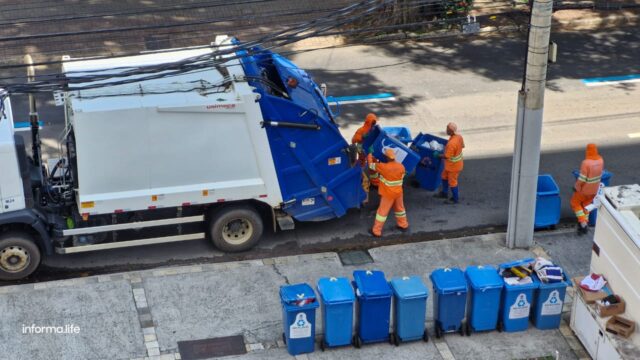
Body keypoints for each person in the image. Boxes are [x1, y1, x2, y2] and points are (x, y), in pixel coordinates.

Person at [368, 148, 409, 237]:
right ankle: (403, 225)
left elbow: (371, 165)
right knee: (400, 209)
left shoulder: (384, 167)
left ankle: (376, 231)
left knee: (382, 213)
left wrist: (370, 155)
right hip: (398, 193)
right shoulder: (401, 166)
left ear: (386, 157)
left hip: (388, 194)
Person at [571, 143, 604, 235]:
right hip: (594, 189)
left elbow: (582, 178)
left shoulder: (586, 163)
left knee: (575, 203)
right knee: (586, 205)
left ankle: (583, 223)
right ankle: (584, 224)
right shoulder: (601, 160)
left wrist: (576, 187)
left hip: (585, 190)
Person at [434, 122, 464, 204]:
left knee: (452, 182)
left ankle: (455, 199)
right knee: (444, 176)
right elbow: (463, 146)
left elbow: (446, 156)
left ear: (450, 131)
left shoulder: (451, 144)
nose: (445, 130)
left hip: (453, 167)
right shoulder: (459, 137)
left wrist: (437, 155)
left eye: (447, 129)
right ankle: (444, 193)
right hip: (452, 165)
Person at [352, 113, 378, 203]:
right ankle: (367, 178)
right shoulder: (365, 130)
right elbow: (355, 139)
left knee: (366, 162)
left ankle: (372, 180)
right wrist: (362, 138)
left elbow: (354, 139)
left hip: (365, 148)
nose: (374, 124)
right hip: (365, 149)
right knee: (369, 163)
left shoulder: (369, 129)